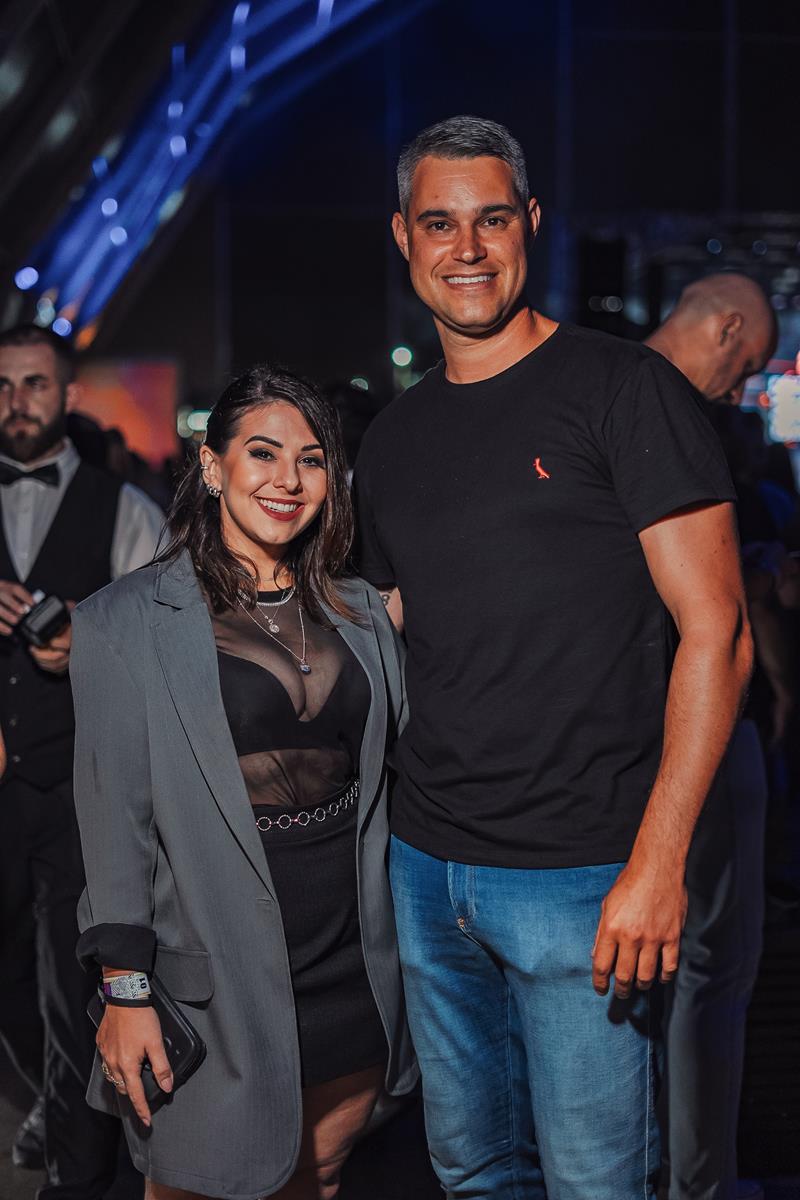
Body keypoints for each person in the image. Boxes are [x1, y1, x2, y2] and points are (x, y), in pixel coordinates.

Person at [353, 115, 752, 1200]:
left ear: (530, 223)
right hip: (427, 871)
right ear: (403, 236)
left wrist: (658, 862)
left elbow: (718, 630)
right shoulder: (391, 438)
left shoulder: (622, 389)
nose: (466, 248)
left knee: (595, 1183)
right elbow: (391, 627)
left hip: (585, 879)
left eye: (491, 219)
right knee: (472, 1172)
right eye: (440, 223)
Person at [69, 365, 417, 1200]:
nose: (287, 479)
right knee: (197, 1184)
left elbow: (396, 772)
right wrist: (125, 992)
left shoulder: (364, 611)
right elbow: (114, 824)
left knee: (319, 1174)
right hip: (211, 976)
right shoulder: (124, 621)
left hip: (351, 964)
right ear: (213, 465)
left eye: (311, 459)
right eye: (263, 453)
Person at [0, 323, 163, 1196]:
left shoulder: (125, 508)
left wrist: (83, 643)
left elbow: (164, 645)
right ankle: (47, 1099)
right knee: (10, 982)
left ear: (66, 396)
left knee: (74, 986)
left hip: (79, 785)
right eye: (3, 384)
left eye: (33, 384)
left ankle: (78, 1171)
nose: (16, 401)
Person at [645, 278, 781, 1199]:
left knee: (651, 972)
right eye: (751, 362)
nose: (744, 386)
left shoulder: (594, 384)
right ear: (727, 325)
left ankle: (662, 1171)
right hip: (696, 720)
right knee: (712, 964)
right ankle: (698, 1183)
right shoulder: (682, 417)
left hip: (622, 729)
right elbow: (716, 618)